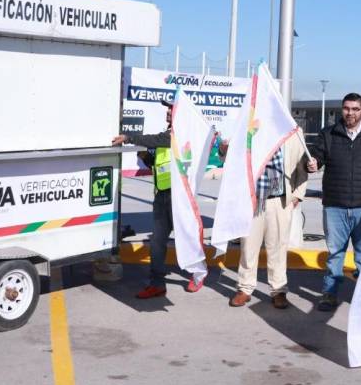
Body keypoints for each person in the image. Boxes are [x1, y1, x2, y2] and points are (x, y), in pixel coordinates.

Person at [111, 101, 207, 298]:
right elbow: (160, 163)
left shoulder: (180, 134)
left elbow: (158, 139)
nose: (168, 112)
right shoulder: (168, 133)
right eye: (167, 109)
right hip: (162, 195)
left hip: (179, 197)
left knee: (187, 238)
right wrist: (147, 158)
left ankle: (198, 273)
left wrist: (129, 137)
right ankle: (157, 283)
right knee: (157, 242)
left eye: (171, 109)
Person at [307, 93, 361, 311]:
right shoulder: (328, 134)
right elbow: (316, 157)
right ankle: (329, 293)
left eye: (355, 109)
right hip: (334, 205)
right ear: (341, 109)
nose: (350, 113)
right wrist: (312, 164)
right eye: (346, 108)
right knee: (335, 253)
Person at [226, 132, 309, 309]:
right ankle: (245, 288)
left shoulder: (293, 132)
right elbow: (229, 157)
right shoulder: (249, 130)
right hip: (252, 199)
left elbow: (303, 166)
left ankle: (278, 290)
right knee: (248, 246)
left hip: (279, 200)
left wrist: (298, 195)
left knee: (278, 248)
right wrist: (224, 149)